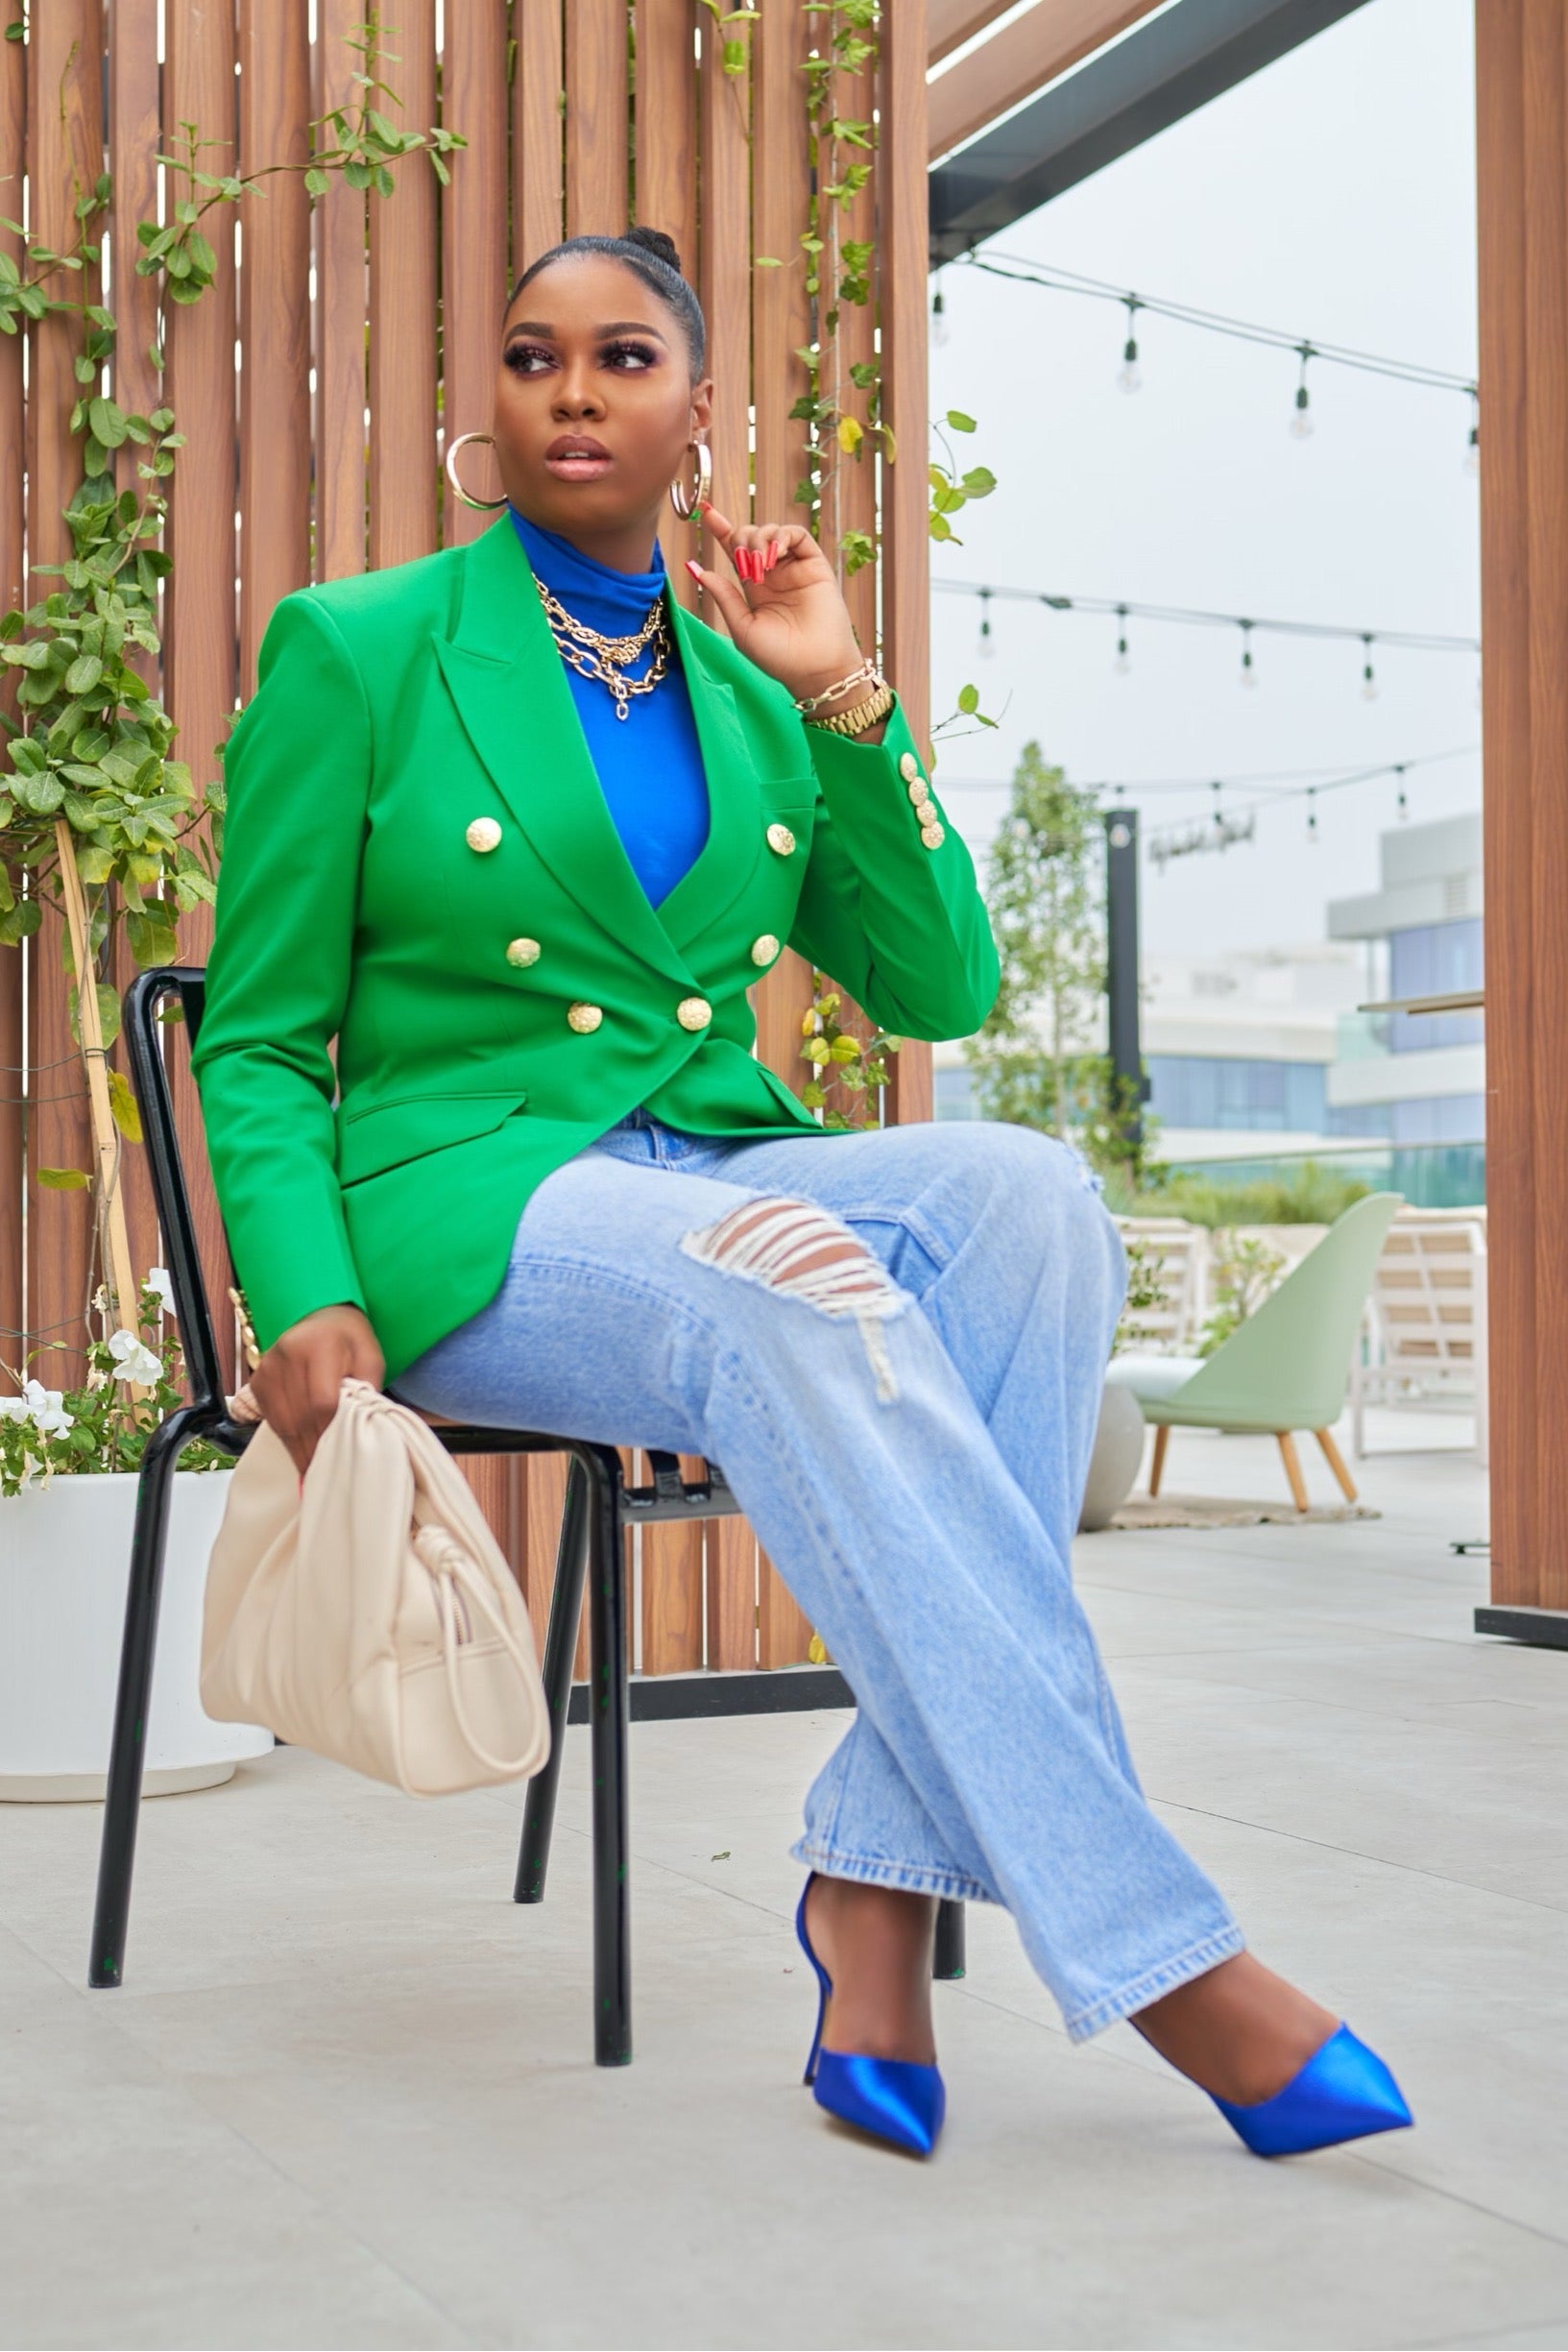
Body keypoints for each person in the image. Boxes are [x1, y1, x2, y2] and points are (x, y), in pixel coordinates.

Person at [193, 224, 1411, 2161]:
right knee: (782, 1275)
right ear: (484, 407)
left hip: (709, 1157)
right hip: (478, 1202)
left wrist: (846, 697)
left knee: (1027, 1200)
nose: (574, 391)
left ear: (698, 412)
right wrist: (298, 1280)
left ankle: (874, 1879)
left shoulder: (759, 696)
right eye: (532, 356)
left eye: (622, 357)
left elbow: (940, 989)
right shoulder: (364, 648)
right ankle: (1165, 1954)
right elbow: (258, 1035)